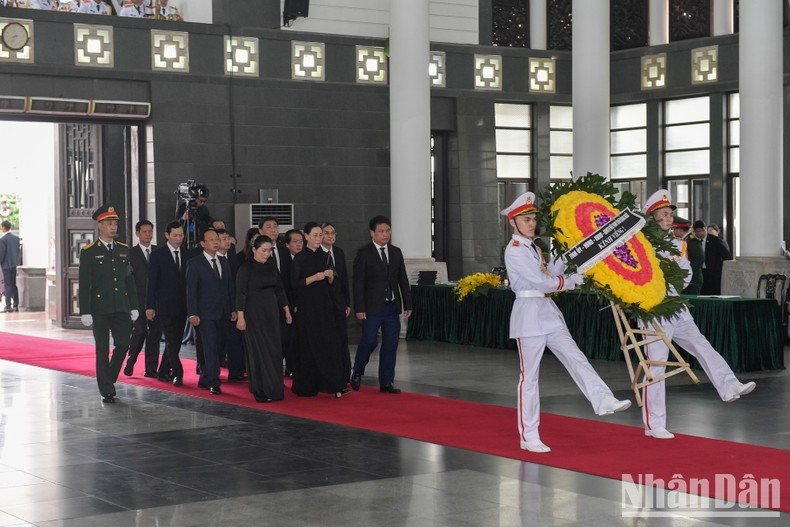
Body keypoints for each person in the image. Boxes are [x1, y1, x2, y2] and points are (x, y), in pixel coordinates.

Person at [502, 193, 631, 453]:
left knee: (575, 356)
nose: (531, 224)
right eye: (526, 220)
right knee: (530, 378)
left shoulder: (533, 247)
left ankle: (603, 399)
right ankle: (529, 435)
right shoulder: (515, 251)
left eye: (533, 219)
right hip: (528, 314)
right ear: (512, 223)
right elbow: (541, 282)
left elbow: (549, 273)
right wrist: (569, 281)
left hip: (546, 311)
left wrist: (568, 255)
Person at [642, 190, 756, 439]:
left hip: (675, 305)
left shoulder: (678, 244)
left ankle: (728, 385)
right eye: (664, 213)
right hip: (653, 308)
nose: (669, 217)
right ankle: (654, 423)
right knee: (657, 365)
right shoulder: (642, 244)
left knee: (701, 344)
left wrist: (671, 281)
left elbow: (685, 275)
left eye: (670, 213)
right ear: (652, 217)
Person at [78, 204, 138, 403]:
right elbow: (85, 283)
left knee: (123, 344)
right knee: (102, 349)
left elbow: (129, 280)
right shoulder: (88, 252)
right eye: (109, 224)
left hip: (121, 306)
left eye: (115, 223)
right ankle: (106, 389)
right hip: (100, 309)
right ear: (100, 225)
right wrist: (85, 311)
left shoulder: (123, 250)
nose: (113, 227)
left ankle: (108, 377)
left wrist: (134, 305)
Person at [350, 215, 413, 395]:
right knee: (369, 341)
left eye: (388, 231)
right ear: (372, 233)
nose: (385, 235)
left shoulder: (395, 252)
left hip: (391, 306)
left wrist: (408, 303)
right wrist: (359, 308)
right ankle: (358, 371)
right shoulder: (364, 253)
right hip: (372, 308)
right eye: (381, 231)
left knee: (390, 344)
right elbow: (358, 282)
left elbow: (403, 279)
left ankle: (386, 381)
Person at [290, 222, 348, 398]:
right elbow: (294, 284)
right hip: (307, 307)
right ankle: (307, 385)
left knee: (328, 344)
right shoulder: (300, 258)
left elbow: (335, 283)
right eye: (314, 235)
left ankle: (332, 384)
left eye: (319, 235)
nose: (318, 238)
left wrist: (330, 278)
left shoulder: (325, 256)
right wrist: (314, 278)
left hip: (324, 306)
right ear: (306, 237)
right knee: (308, 345)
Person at [236, 235, 292, 402]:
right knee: (258, 352)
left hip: (272, 313)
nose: (267, 253)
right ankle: (261, 391)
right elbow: (240, 294)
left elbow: (280, 290)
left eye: (269, 250)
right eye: (264, 250)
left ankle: (274, 388)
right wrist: (240, 317)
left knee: (274, 350)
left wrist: (287, 311)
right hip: (253, 314)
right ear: (254, 249)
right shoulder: (245, 268)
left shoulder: (272, 266)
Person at [186, 228, 236, 395]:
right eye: (211, 239)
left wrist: (233, 308)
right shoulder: (195, 263)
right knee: (210, 347)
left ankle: (206, 377)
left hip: (223, 313)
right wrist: (192, 313)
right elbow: (191, 290)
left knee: (218, 346)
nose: (216, 242)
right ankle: (214, 381)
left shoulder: (224, 262)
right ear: (202, 243)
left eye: (217, 239)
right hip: (205, 314)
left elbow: (229, 288)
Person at [146, 220, 190, 386]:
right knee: (171, 339)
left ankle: (163, 370)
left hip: (183, 305)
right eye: (175, 235)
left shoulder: (187, 253)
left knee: (176, 340)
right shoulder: (158, 255)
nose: (179, 238)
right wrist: (149, 306)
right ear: (167, 235)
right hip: (163, 306)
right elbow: (152, 282)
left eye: (181, 235)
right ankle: (178, 372)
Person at [124, 220, 161, 378]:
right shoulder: (130, 254)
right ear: (137, 233)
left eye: (150, 231)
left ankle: (151, 369)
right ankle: (130, 362)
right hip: (137, 300)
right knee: (139, 331)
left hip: (156, 300)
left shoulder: (159, 252)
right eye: (144, 232)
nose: (148, 234)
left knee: (154, 334)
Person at [321, 222, 352, 380]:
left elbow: (344, 279)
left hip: (339, 303)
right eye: (326, 233)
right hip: (323, 304)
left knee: (342, 338)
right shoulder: (317, 254)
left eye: (332, 233)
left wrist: (347, 302)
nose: (330, 236)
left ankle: (345, 373)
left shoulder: (339, 252)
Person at [216, 228, 245, 381]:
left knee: (235, 341)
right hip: (215, 309)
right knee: (216, 343)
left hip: (232, 308)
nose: (227, 241)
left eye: (228, 238)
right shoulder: (210, 260)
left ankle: (236, 372)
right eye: (223, 239)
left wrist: (235, 307)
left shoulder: (233, 259)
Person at [693, 220, 732, 295]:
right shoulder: (695, 241)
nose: (701, 233)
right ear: (695, 232)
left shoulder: (714, 240)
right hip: (701, 272)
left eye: (703, 230)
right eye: (698, 231)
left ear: (706, 229)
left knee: (713, 292)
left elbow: (726, 255)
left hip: (714, 273)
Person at [672, 216, 703, 295]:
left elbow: (699, 259)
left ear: (679, 230)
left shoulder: (692, 241)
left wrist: (687, 272)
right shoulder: (685, 240)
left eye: (674, 229)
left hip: (693, 280)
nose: (673, 232)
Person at [0, 220, 21, 313]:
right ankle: (16, 305)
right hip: (15, 265)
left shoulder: (3, 239)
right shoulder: (16, 239)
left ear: (3, 228)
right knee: (14, 285)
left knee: (7, 285)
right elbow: (18, 252)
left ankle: (8, 306)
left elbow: (2, 253)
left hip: (6, 266)